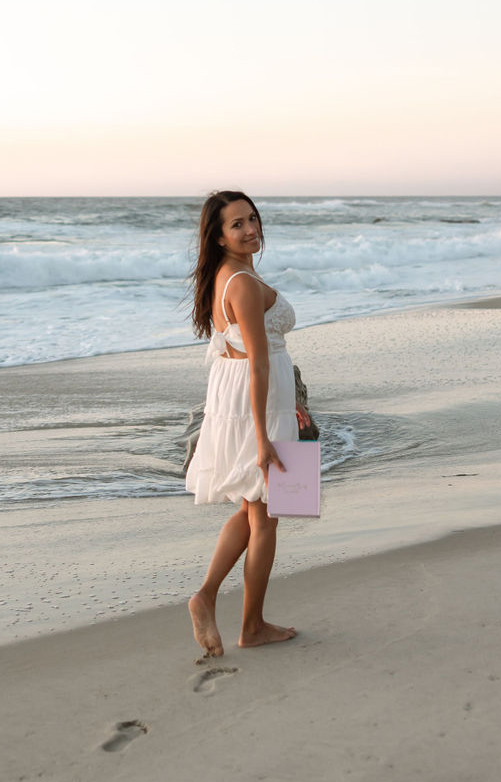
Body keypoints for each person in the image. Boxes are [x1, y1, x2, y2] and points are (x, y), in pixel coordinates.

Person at [185, 190, 310, 657]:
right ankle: (251, 625)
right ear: (218, 236)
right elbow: (258, 363)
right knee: (266, 515)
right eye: (237, 224)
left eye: (253, 218)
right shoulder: (241, 282)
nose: (250, 228)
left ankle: (207, 596)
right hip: (256, 403)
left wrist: (290, 403)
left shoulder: (227, 276)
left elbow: (239, 356)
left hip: (246, 397)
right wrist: (262, 439)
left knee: (249, 509)